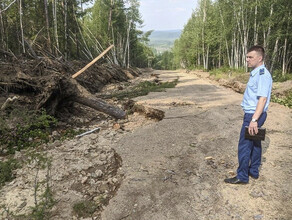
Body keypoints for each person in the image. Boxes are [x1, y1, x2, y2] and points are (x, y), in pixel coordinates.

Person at [224, 45, 273, 184]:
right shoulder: (257, 73)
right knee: (255, 142)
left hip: (254, 114)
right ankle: (253, 171)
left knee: (245, 145)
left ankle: (242, 176)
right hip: (255, 114)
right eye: (247, 57)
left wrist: (253, 120)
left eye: (250, 57)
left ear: (260, 58)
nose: (247, 60)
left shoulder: (262, 75)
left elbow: (262, 99)